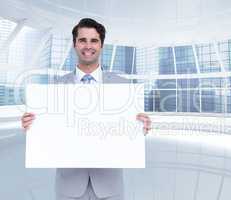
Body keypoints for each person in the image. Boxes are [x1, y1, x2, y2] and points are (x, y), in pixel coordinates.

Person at [21, 18, 151, 200]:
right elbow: (47, 135)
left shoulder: (123, 86)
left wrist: (140, 127)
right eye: (82, 40)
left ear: (102, 45)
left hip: (110, 186)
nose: (88, 46)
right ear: (75, 44)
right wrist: (32, 126)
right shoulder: (55, 88)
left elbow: (128, 134)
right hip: (69, 186)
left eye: (94, 40)